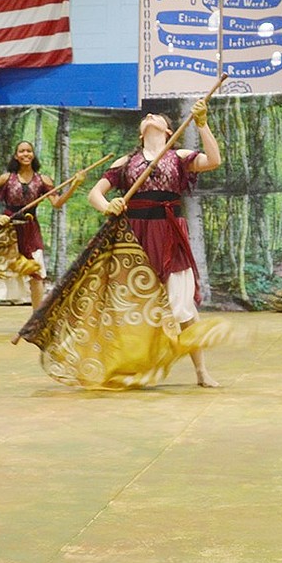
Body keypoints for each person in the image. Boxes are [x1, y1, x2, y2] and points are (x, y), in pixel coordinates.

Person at [87, 101, 221, 388]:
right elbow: (94, 194)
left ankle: (201, 372)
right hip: (135, 238)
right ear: (140, 134)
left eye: (156, 116)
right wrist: (107, 205)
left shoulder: (179, 156)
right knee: (133, 306)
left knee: (183, 306)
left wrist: (202, 123)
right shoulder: (125, 162)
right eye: (145, 117)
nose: (149, 117)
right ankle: (128, 368)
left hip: (170, 235)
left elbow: (213, 160)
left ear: (168, 129)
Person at [0, 141, 82, 332]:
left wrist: (74, 185)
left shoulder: (44, 181)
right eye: (22, 151)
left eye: (29, 151)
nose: (25, 154)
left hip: (31, 230)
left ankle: (35, 321)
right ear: (16, 155)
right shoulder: (6, 179)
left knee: (36, 276)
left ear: (33, 155)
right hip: (8, 231)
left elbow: (57, 203)